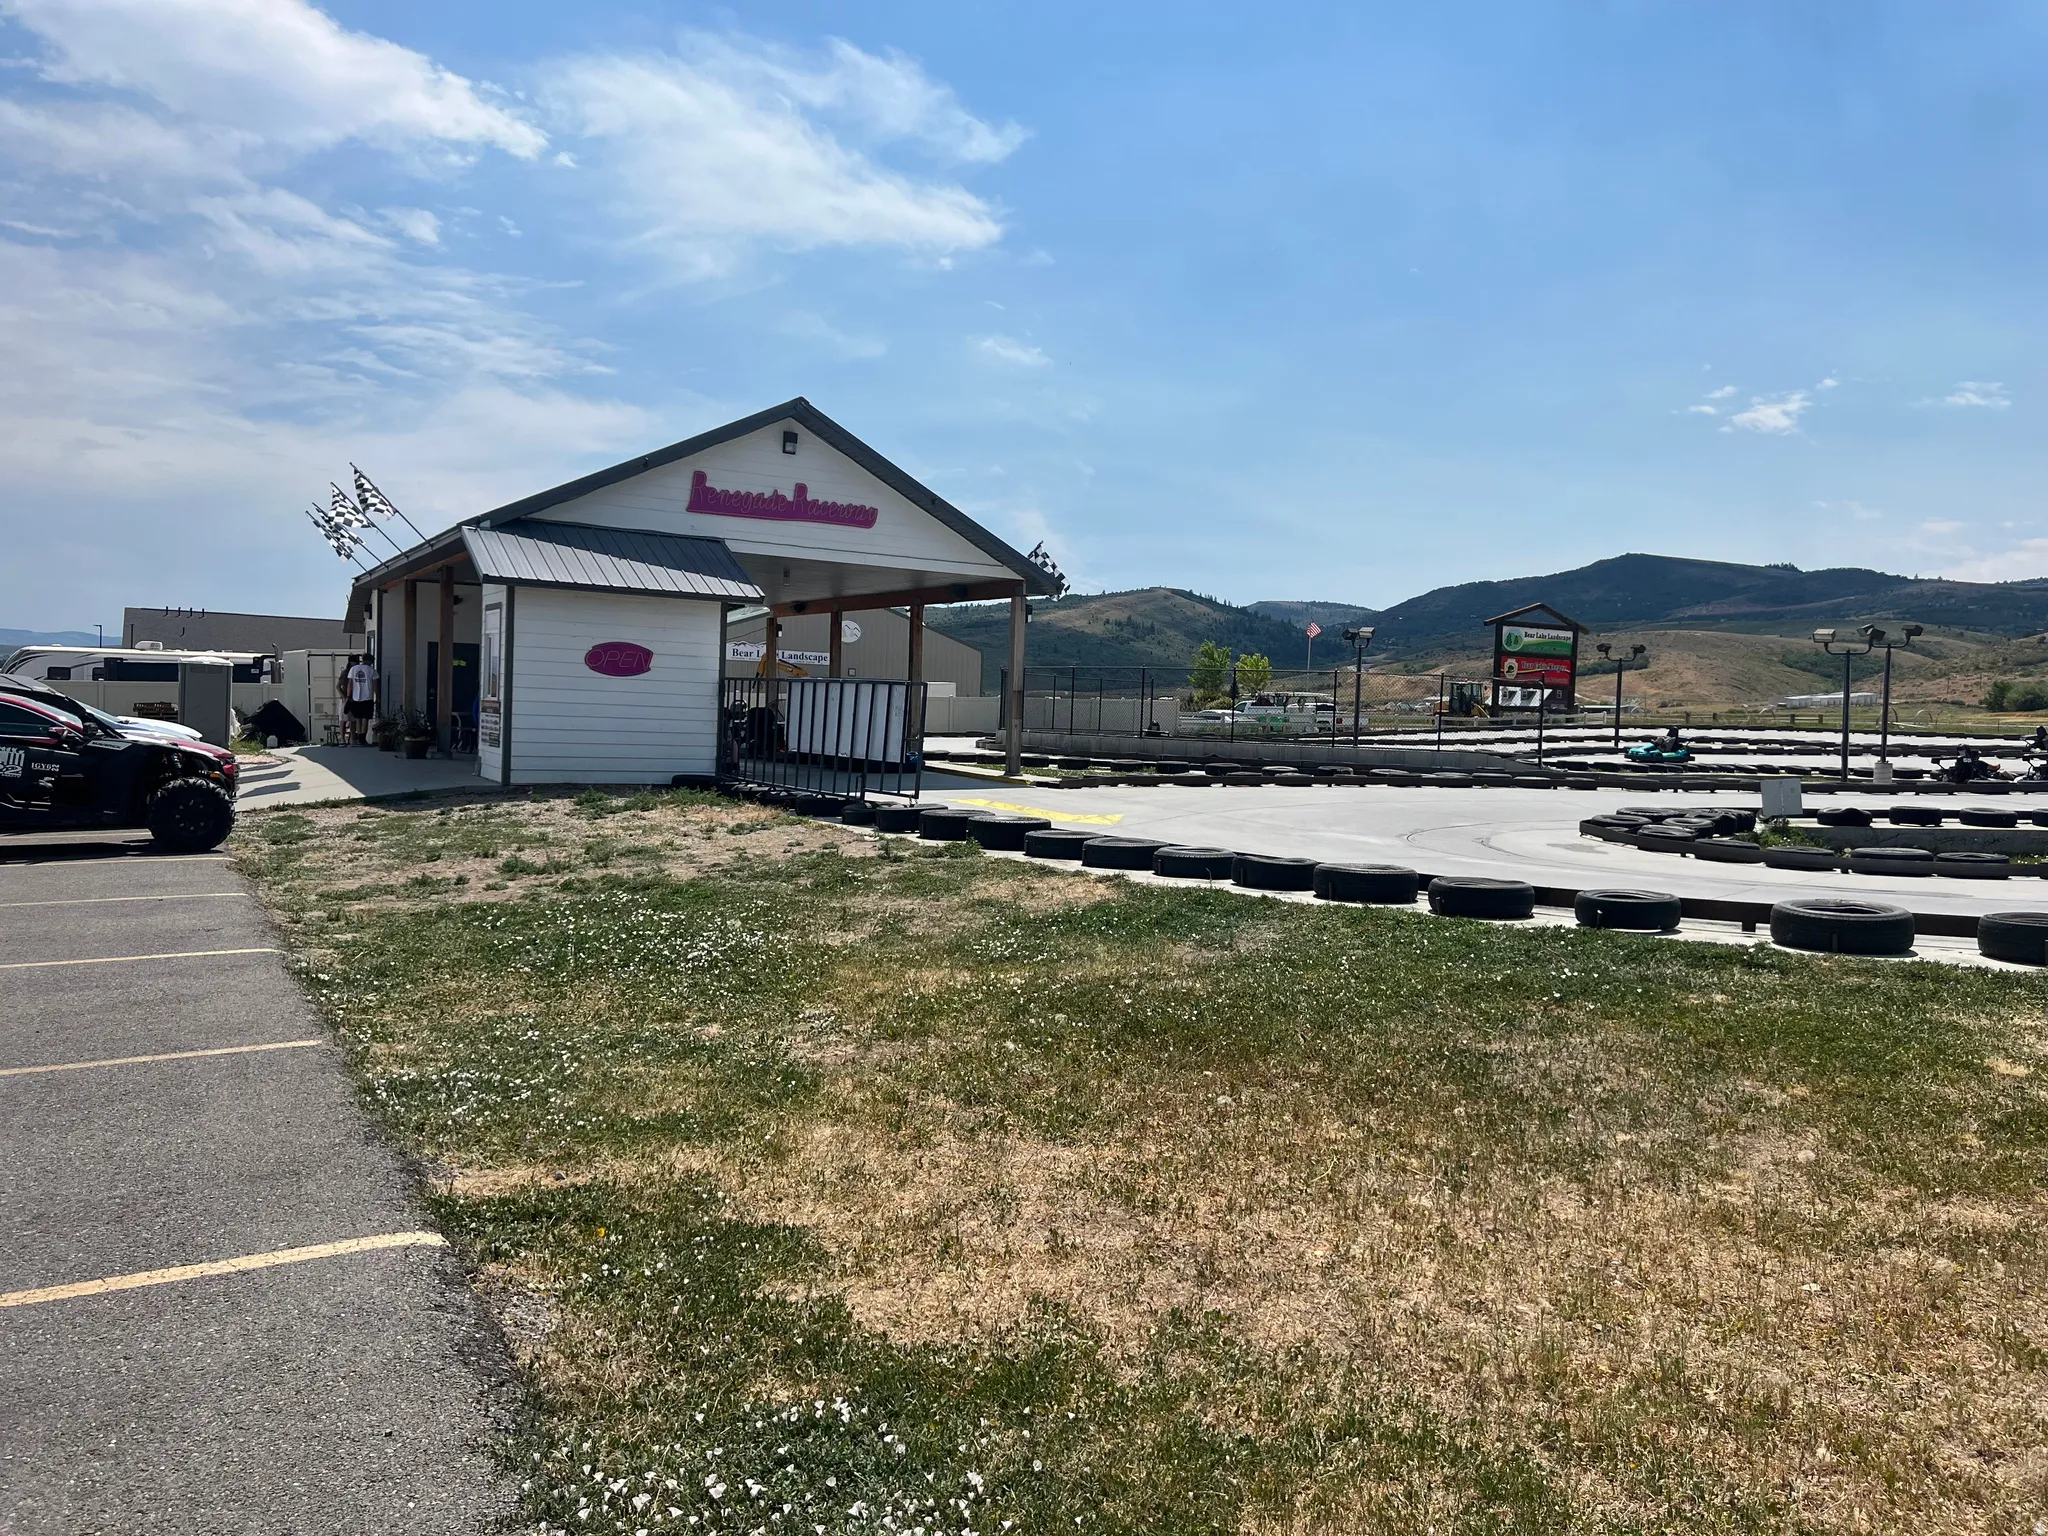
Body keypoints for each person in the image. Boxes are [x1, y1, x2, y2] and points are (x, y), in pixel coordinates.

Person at [340, 653, 377, 745]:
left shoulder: (353, 669)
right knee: (365, 718)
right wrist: (378, 696)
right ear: (369, 661)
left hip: (356, 697)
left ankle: (358, 734)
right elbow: (375, 686)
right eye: (372, 661)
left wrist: (348, 696)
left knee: (358, 718)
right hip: (368, 697)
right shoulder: (372, 671)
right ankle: (362, 738)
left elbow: (350, 684)